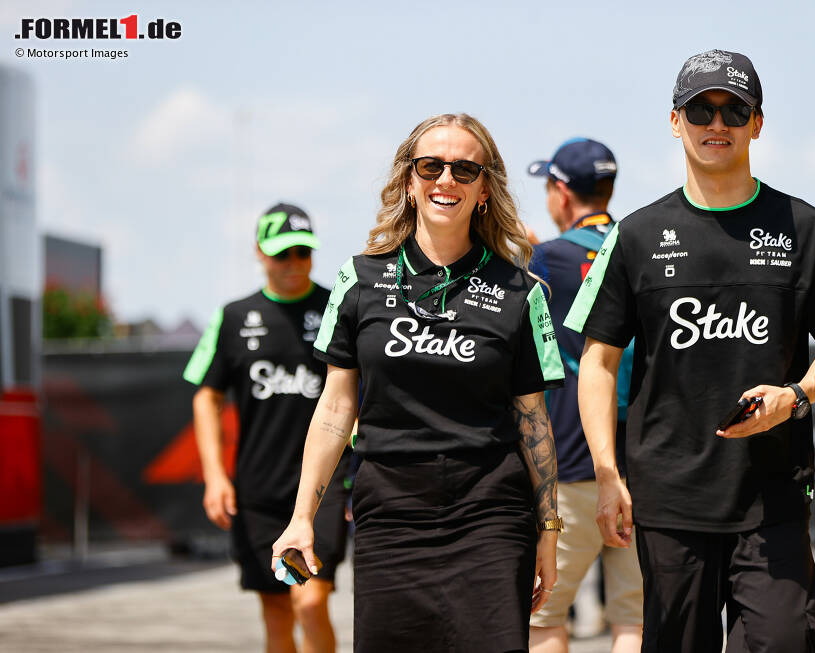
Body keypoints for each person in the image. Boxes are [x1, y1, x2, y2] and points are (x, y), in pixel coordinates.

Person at [565, 50, 815, 652]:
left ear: (757, 123)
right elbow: (598, 363)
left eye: (734, 109)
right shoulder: (634, 236)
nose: (717, 123)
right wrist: (607, 474)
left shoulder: (805, 226)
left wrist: (797, 396)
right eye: (700, 109)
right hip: (670, 498)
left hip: (773, 493)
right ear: (675, 120)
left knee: (785, 641)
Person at [271, 113, 565, 653]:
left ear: (484, 189)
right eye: (431, 166)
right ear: (409, 180)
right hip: (391, 508)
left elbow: (533, 420)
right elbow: (336, 409)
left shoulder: (523, 292)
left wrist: (548, 531)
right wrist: (301, 518)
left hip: (490, 511)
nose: (446, 180)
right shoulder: (357, 279)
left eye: (464, 169)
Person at [183, 203, 351, 653]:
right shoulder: (233, 317)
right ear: (260, 251)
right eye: (283, 254)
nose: (294, 263)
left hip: (322, 488)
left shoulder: (337, 307)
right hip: (257, 490)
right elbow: (206, 396)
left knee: (310, 600)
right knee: (276, 611)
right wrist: (215, 475)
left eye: (303, 253)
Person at [525, 139, 642, 653]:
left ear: (560, 191)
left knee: (543, 616)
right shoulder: (646, 249)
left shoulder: (546, 259)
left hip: (572, 458)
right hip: (643, 455)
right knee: (634, 619)